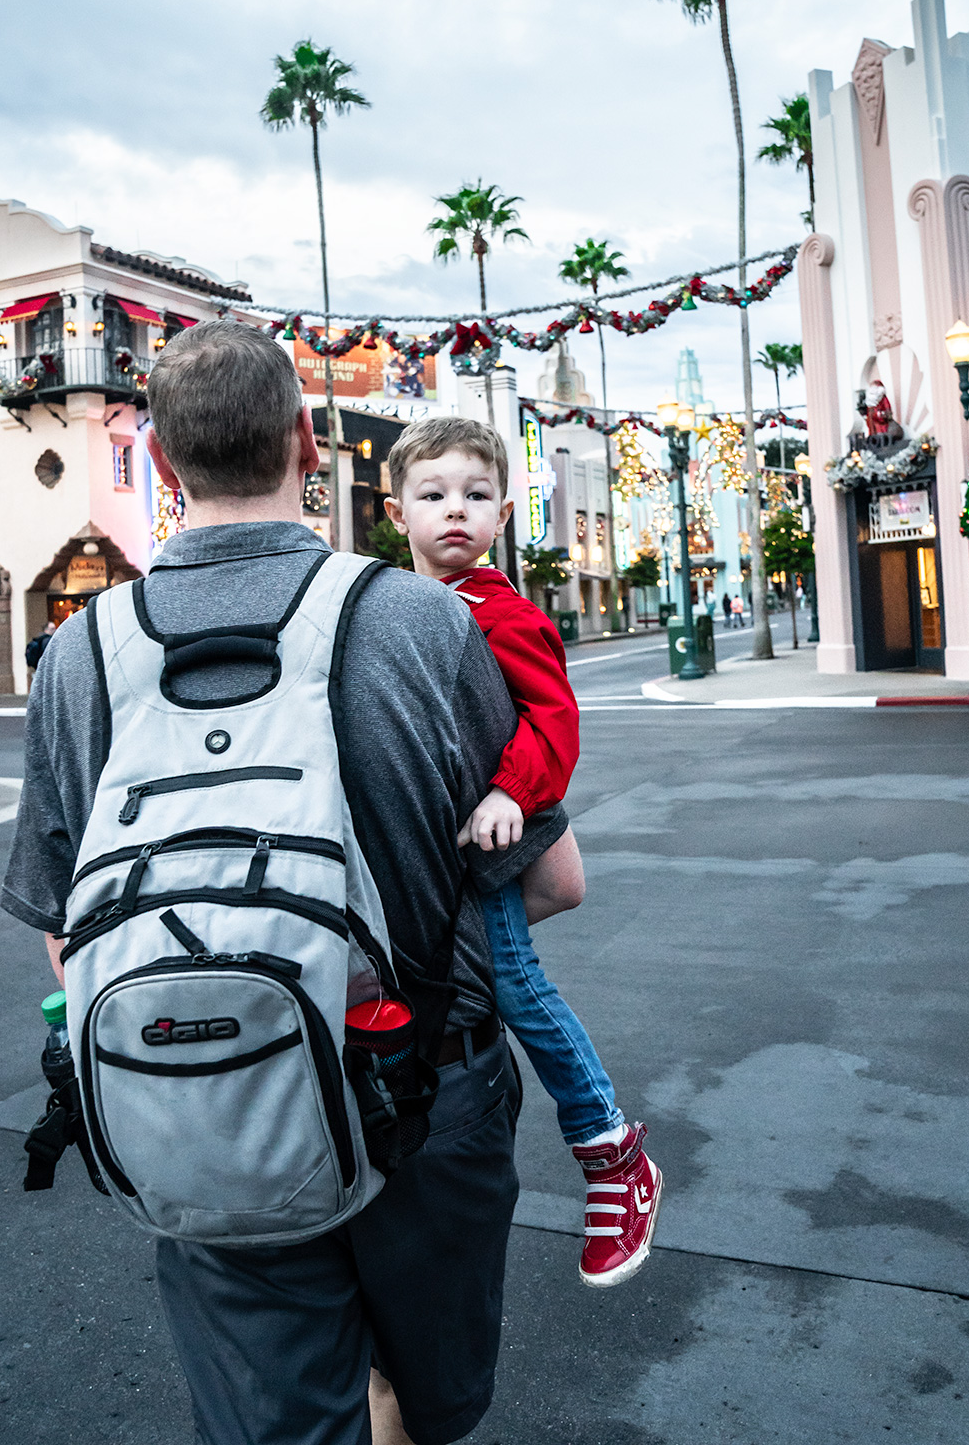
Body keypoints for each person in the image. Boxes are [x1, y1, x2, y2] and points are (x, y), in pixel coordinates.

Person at [2, 321, 585, 1445]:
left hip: (195, 1093)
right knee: (428, 1394)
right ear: (308, 444)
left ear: (164, 464)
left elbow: (65, 933)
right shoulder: (422, 621)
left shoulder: (79, 654)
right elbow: (553, 880)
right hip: (426, 1091)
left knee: (273, 1416)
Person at [384, 416, 662, 1290]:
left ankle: (611, 1149)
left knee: (516, 987)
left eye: (474, 496)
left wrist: (511, 792)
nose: (453, 513)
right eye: (432, 497)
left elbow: (554, 719)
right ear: (399, 514)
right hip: (429, 845)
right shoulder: (400, 607)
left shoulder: (498, 613)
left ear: (502, 513)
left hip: (483, 841)